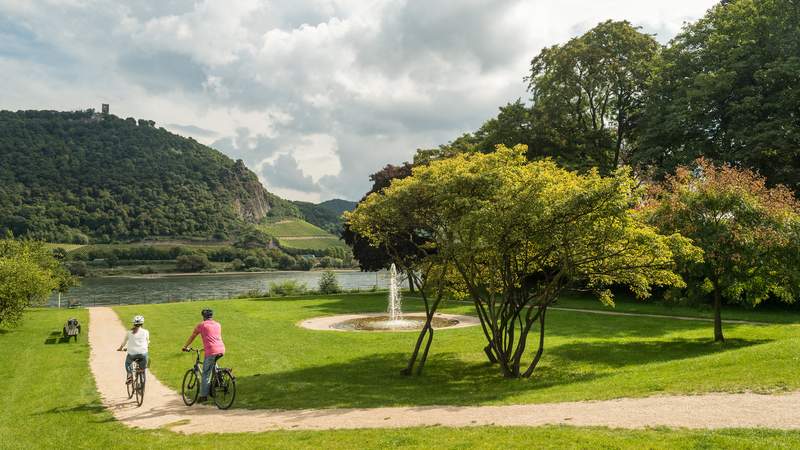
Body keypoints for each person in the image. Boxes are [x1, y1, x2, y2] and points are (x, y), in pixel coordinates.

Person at [182, 308, 225, 402]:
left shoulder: (202, 325)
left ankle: (203, 396)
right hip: (221, 348)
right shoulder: (218, 324)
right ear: (212, 316)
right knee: (213, 363)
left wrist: (185, 346)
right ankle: (219, 378)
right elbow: (213, 337)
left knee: (206, 373)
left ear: (203, 316)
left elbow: (193, 336)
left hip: (211, 350)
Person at [117, 315, 149, 383]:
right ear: (142, 323)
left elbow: (124, 342)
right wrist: (147, 346)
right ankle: (142, 376)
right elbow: (147, 341)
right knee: (143, 366)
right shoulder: (146, 332)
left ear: (134, 323)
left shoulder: (129, 332)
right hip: (143, 353)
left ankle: (129, 376)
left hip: (132, 353)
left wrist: (120, 348)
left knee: (128, 363)